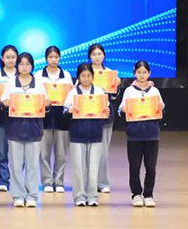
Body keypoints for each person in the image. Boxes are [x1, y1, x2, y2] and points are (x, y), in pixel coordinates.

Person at [0, 52, 48, 207]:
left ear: (32, 66)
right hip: (15, 129)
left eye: (27, 64)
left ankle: (32, 195)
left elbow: (45, 102)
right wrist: (5, 103)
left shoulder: (38, 83)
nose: (24, 67)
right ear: (17, 65)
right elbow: (3, 101)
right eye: (21, 64)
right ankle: (18, 196)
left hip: (34, 128)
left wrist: (47, 103)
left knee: (32, 165)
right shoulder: (11, 83)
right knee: (16, 165)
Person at [119, 60, 165, 208]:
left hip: (152, 134)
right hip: (134, 134)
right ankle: (136, 194)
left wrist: (161, 106)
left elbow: (161, 108)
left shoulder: (155, 91)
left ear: (149, 73)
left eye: (144, 72)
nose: (142, 75)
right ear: (134, 74)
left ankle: (148, 195)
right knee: (134, 167)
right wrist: (124, 109)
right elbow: (121, 108)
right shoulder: (129, 90)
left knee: (151, 167)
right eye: (139, 72)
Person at [63, 63, 108, 207]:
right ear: (78, 77)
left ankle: (92, 196)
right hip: (77, 135)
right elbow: (64, 112)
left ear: (93, 76)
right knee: (78, 167)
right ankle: (79, 196)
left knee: (93, 168)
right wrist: (69, 111)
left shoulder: (99, 92)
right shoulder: (72, 93)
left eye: (89, 75)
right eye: (83, 76)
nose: (86, 78)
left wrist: (106, 112)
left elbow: (106, 113)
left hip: (96, 134)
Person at [36, 45, 72, 193]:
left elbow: (71, 97)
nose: (53, 60)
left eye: (56, 57)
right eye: (50, 57)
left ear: (59, 58)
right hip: (43, 119)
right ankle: (47, 182)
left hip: (62, 120)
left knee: (61, 154)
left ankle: (59, 181)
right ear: (46, 58)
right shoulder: (38, 75)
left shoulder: (66, 75)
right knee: (43, 153)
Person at [88, 44, 121, 193]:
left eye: (99, 54)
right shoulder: (85, 72)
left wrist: (116, 86)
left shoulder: (109, 73)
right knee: (89, 151)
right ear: (89, 56)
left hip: (105, 115)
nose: (97, 57)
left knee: (103, 152)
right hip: (87, 116)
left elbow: (113, 97)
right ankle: (89, 182)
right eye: (94, 54)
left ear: (104, 56)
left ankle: (102, 183)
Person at [0, 45, 18, 193]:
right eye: (7, 57)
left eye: (13, 57)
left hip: (18, 119)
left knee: (17, 152)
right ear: (2, 58)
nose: (10, 60)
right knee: (1, 151)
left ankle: (17, 179)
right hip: (0, 118)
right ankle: (3, 180)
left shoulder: (23, 74)